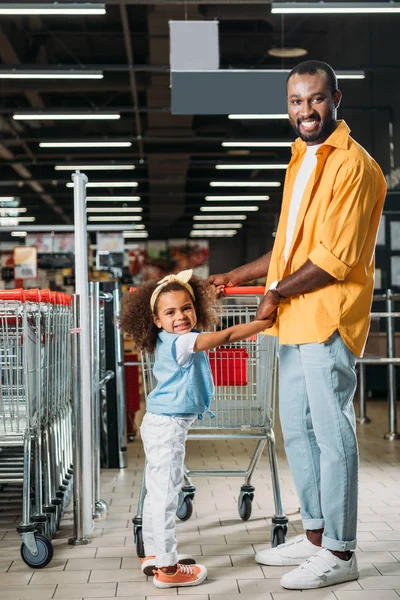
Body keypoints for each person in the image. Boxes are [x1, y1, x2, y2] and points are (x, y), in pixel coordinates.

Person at [209, 60, 386, 590]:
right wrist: (233, 275)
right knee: (298, 430)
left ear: (336, 101)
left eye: (315, 99)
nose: (305, 110)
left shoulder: (353, 166)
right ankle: (313, 535)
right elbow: (289, 249)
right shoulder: (301, 158)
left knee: (332, 435)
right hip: (292, 318)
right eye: (295, 101)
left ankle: (341, 548)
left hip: (327, 317)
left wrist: (272, 294)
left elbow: (333, 260)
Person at [120, 269, 274, 589]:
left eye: (187, 308)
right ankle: (168, 568)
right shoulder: (184, 342)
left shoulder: (168, 337)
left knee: (157, 491)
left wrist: (206, 297)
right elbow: (227, 337)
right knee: (165, 494)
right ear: (156, 319)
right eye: (171, 312)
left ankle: (153, 554)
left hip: (161, 422)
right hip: (168, 426)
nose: (181, 316)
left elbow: (197, 324)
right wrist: (262, 324)